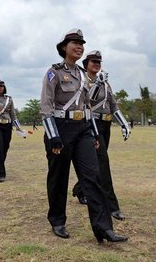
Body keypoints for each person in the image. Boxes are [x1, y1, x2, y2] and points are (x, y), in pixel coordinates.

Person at [40, 28, 127, 242]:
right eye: (74, 43)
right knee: (59, 177)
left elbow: (88, 107)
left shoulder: (82, 74)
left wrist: (95, 134)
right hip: (60, 127)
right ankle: (58, 220)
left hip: (83, 129)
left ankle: (103, 228)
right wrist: (53, 136)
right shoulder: (54, 72)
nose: (79, 46)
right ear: (63, 47)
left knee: (93, 177)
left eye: (81, 43)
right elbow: (46, 106)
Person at [71, 50, 131, 221]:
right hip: (91, 124)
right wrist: (97, 84)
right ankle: (112, 206)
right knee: (103, 164)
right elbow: (87, 100)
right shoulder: (83, 80)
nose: (96, 64)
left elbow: (112, 104)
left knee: (97, 162)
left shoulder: (105, 82)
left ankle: (79, 189)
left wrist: (124, 123)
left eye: (98, 61)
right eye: (93, 61)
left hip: (106, 124)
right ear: (86, 64)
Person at [0, 79, 22, 182]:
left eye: (1, 86)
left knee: (5, 148)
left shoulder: (9, 99)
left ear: (4, 87)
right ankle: (1, 173)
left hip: (7, 125)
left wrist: (18, 127)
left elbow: (13, 115)